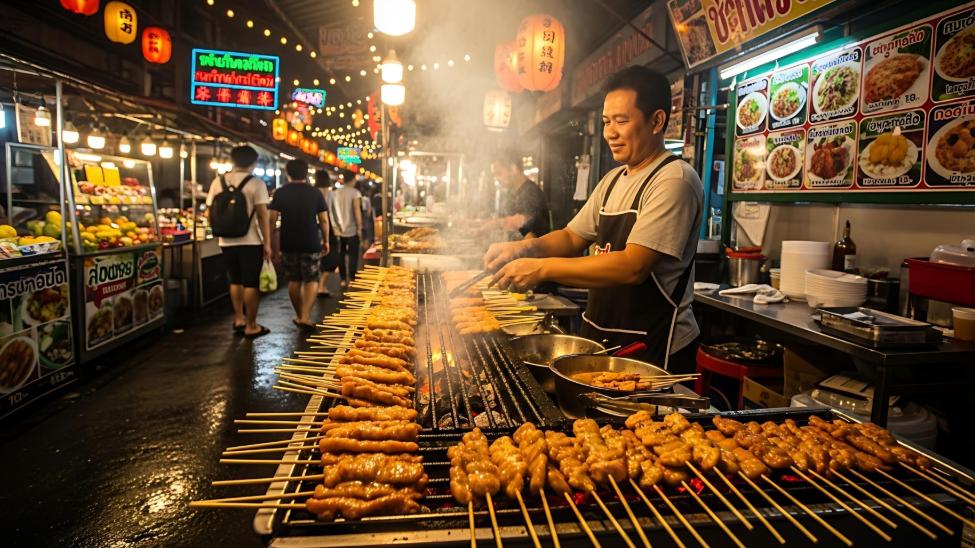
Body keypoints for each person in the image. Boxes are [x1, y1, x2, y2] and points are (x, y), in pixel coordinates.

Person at [485, 66, 703, 372]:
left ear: (656, 121)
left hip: (654, 346)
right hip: (604, 334)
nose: (610, 132)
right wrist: (523, 250)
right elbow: (572, 237)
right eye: (606, 122)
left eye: (622, 121)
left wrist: (542, 268)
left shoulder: (674, 180)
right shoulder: (613, 180)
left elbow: (633, 266)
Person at [206, 145, 272, 338]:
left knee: (235, 280)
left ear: (233, 160)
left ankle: (239, 319)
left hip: (225, 242)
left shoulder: (218, 182)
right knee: (251, 283)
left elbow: (209, 211)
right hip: (250, 241)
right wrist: (267, 243)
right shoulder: (256, 183)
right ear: (253, 162)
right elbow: (262, 215)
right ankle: (251, 326)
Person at [269, 160, 330, 328]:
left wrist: (268, 242)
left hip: (288, 243)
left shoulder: (280, 192)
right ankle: (305, 316)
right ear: (306, 172)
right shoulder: (315, 192)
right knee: (311, 279)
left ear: (288, 173)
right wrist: (326, 240)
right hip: (311, 241)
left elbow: (271, 219)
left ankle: (299, 314)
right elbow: (324, 220)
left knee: (294, 280)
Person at [484, 148, 551, 238]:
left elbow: (523, 220)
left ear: (513, 168)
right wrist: (474, 224)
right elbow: (505, 220)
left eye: (499, 173)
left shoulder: (531, 192)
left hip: (536, 250)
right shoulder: (513, 192)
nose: (496, 179)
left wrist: (493, 225)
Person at [326, 175, 363, 286]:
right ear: (351, 180)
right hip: (352, 229)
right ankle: (352, 278)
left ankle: (342, 279)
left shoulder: (335, 192)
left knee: (341, 254)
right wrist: (360, 227)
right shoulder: (355, 192)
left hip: (338, 230)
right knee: (353, 255)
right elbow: (357, 211)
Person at [316, 177, 341, 297]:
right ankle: (320, 286)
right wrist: (339, 228)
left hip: (315, 229)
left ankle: (318, 285)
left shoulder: (313, 192)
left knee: (319, 258)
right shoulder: (331, 194)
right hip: (329, 228)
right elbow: (335, 213)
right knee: (332, 257)